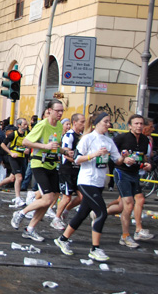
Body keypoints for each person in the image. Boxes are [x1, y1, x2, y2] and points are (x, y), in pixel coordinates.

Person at [54, 111, 124, 261]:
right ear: (97, 123)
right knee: (102, 213)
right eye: (105, 121)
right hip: (86, 181)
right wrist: (94, 155)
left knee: (82, 213)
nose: (108, 124)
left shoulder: (109, 140)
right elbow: (77, 159)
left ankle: (63, 239)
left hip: (99, 182)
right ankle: (95, 248)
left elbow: (117, 159)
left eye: (109, 122)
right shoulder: (88, 138)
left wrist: (126, 159)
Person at [11, 99, 73, 242]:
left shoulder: (58, 126)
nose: (60, 113)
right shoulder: (42, 125)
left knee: (52, 197)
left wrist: (64, 151)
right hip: (39, 164)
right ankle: (21, 213)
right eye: (57, 110)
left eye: (61, 111)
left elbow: (54, 145)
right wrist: (45, 147)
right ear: (49, 111)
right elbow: (27, 142)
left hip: (52, 164)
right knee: (48, 198)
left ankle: (30, 229)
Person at [109, 114, 154, 248]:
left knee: (122, 206)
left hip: (135, 174)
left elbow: (144, 157)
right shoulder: (122, 138)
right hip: (122, 172)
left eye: (141, 124)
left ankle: (101, 213)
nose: (139, 126)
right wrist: (123, 159)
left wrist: (147, 165)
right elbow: (111, 152)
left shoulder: (145, 140)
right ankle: (126, 236)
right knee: (129, 204)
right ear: (130, 126)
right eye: (136, 124)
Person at [52, 113, 86, 230]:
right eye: (82, 122)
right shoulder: (69, 136)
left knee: (82, 197)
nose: (84, 124)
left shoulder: (82, 136)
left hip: (77, 171)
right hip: (67, 170)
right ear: (75, 122)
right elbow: (65, 154)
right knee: (66, 196)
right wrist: (78, 160)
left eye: (84, 121)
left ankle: (65, 211)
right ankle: (56, 218)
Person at [0, 118, 29, 203]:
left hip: (21, 158)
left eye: (26, 124)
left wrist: (27, 149)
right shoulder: (13, 134)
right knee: (19, 177)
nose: (26, 126)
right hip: (13, 157)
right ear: (19, 125)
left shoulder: (27, 133)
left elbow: (29, 144)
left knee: (11, 178)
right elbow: (2, 144)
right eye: (24, 124)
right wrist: (10, 153)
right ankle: (18, 198)